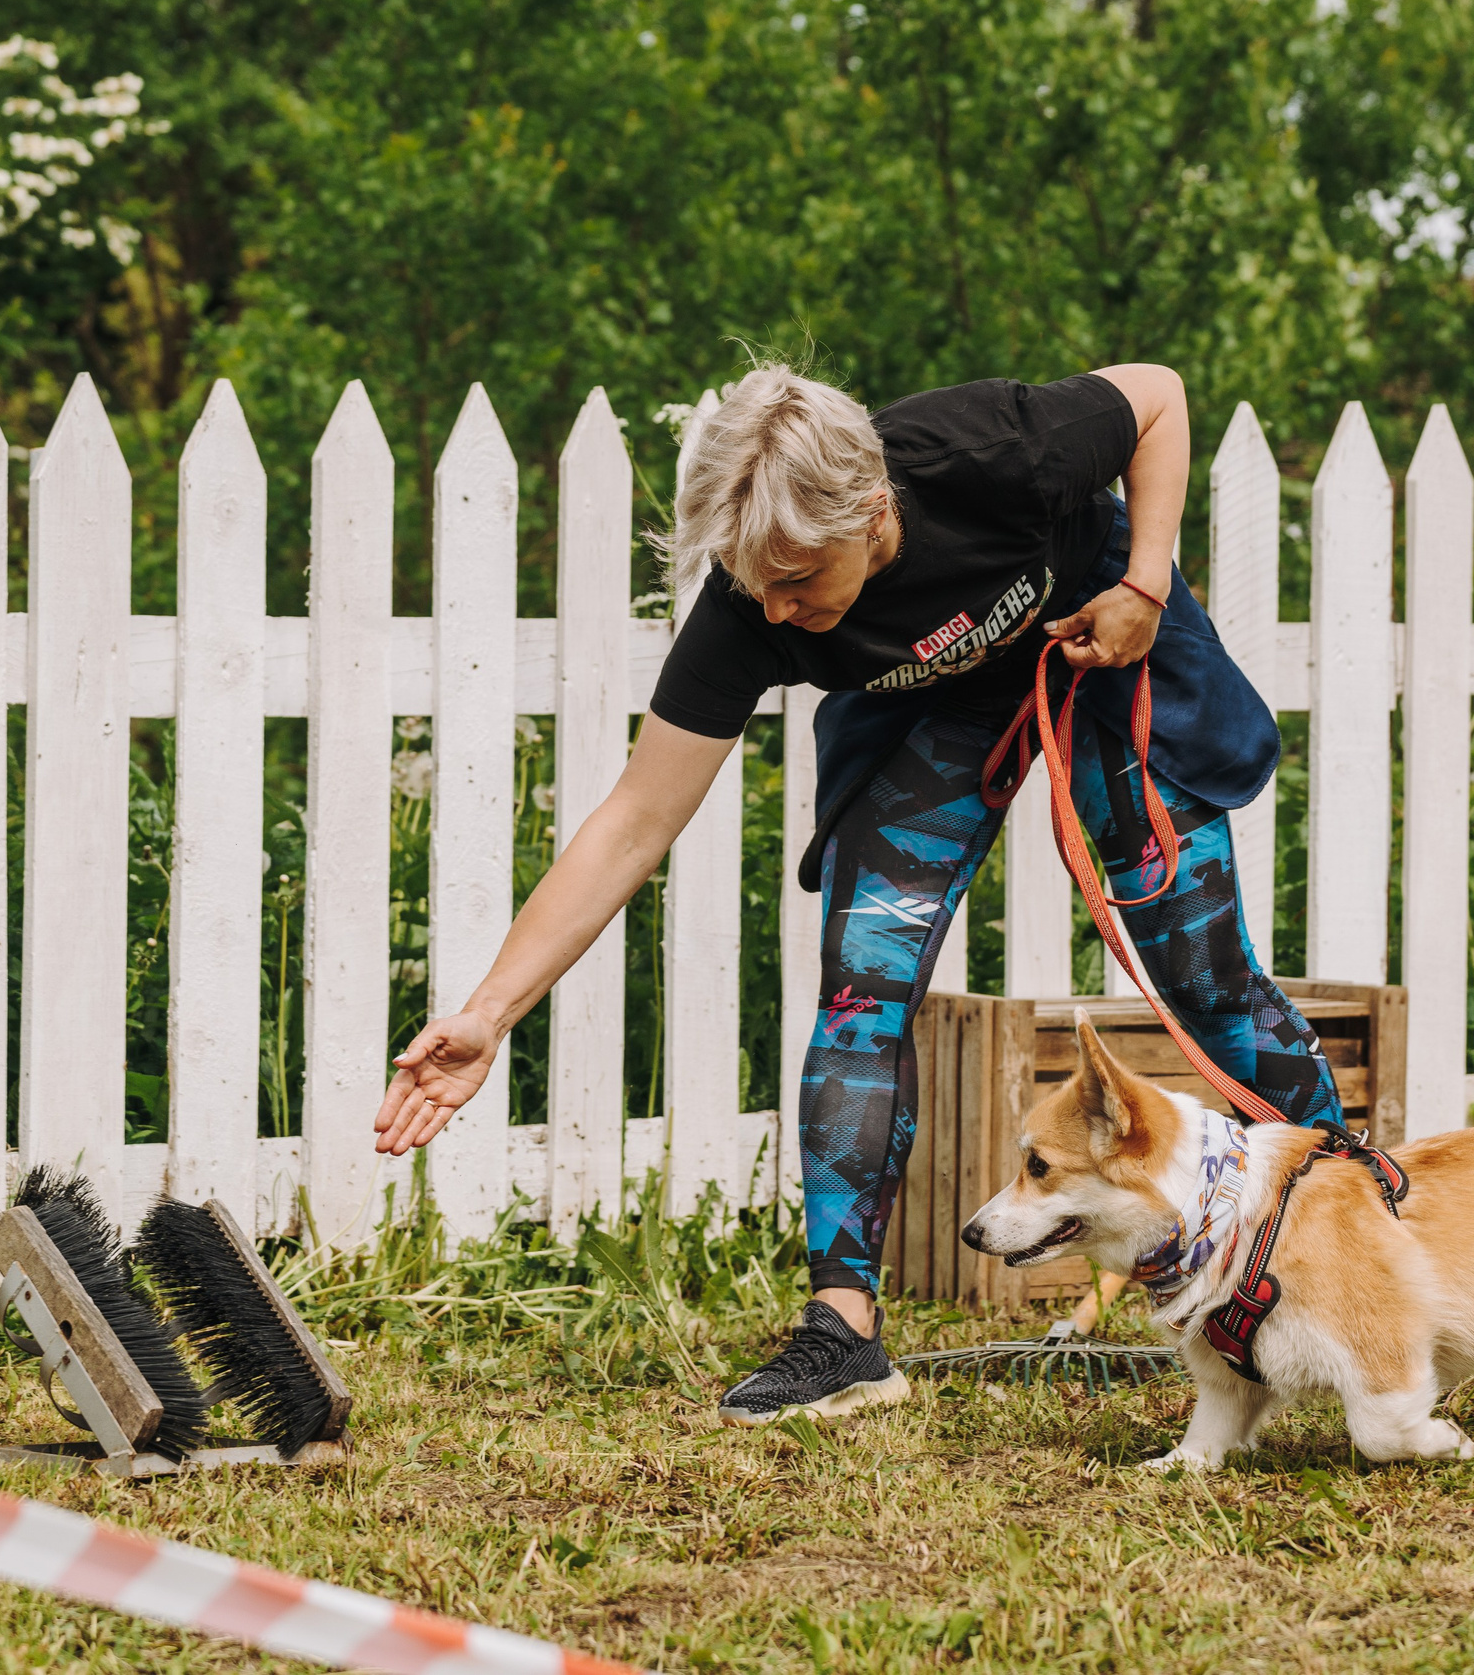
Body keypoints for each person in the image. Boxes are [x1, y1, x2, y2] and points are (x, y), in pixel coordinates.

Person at [374, 362, 1346, 1426]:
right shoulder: (752, 604)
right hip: (933, 713)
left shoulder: (991, 449)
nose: (779, 610)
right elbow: (634, 820)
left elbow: (1157, 396)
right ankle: (842, 1332)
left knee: (1203, 981)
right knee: (860, 987)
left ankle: (1357, 1231)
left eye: (797, 578)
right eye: (757, 587)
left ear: (875, 512)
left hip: (1100, 637)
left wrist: (1146, 584)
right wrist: (487, 1012)